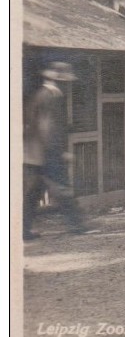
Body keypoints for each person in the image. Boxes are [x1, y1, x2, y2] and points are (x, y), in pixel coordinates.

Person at [23, 62, 87, 239]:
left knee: (31, 194)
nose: (68, 83)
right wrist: (59, 152)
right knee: (62, 189)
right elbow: (47, 127)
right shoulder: (53, 95)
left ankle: (23, 231)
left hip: (31, 153)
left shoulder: (38, 94)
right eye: (65, 80)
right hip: (47, 153)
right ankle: (78, 225)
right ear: (58, 80)